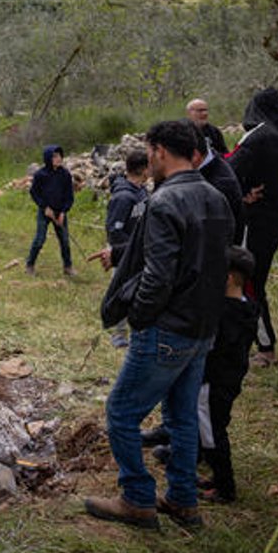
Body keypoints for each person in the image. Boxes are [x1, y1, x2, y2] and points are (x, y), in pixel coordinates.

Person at [83, 120, 235, 530]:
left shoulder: (165, 201)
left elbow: (158, 275)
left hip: (167, 328)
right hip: (202, 329)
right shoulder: (216, 197)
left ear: (160, 151)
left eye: (149, 151)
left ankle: (137, 499)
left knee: (120, 411)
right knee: (182, 417)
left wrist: (139, 317)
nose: (148, 159)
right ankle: (183, 499)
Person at [150, 245, 258, 504]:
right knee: (207, 425)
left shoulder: (223, 313)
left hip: (213, 382)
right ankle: (199, 466)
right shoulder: (248, 307)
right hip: (230, 380)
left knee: (212, 433)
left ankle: (225, 486)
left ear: (228, 278)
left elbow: (212, 347)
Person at [228, 87, 278, 365]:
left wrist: (241, 193)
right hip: (273, 215)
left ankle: (265, 347)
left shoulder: (258, 137)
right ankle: (255, 340)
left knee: (249, 281)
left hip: (254, 217)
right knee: (254, 279)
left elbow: (229, 170)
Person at [88, 149, 150, 347]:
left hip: (139, 250)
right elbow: (114, 230)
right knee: (122, 291)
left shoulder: (142, 192)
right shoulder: (123, 197)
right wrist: (125, 252)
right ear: (144, 169)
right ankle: (119, 333)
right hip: (123, 251)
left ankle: (138, 330)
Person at [26, 144, 75, 276]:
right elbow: (34, 193)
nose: (58, 159)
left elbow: (69, 196)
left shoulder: (65, 174)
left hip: (60, 212)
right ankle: (30, 265)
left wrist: (63, 212)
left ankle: (68, 267)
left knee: (64, 240)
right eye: (55, 156)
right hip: (45, 212)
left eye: (60, 156)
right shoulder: (40, 175)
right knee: (39, 239)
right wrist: (44, 207)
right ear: (48, 158)